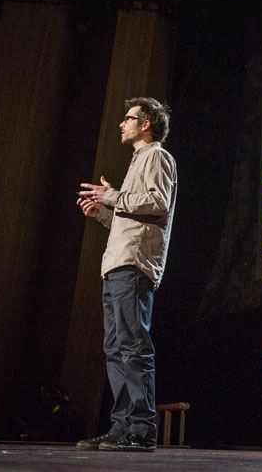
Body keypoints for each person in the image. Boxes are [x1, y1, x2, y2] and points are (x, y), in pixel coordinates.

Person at [74, 97, 177, 452]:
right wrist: (102, 214)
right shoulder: (138, 160)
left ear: (146, 124)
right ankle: (121, 427)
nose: (122, 123)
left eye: (129, 118)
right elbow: (132, 217)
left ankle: (142, 428)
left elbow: (157, 202)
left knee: (133, 347)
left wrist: (112, 195)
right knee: (115, 348)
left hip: (134, 265)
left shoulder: (157, 156)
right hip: (117, 264)